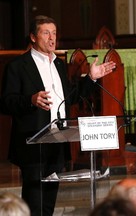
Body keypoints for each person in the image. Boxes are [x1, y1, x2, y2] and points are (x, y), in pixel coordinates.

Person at [1, 15, 116, 216]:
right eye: (46, 33)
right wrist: (30, 100)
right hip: (33, 142)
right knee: (35, 203)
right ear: (33, 37)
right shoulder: (17, 66)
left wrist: (91, 78)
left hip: (57, 140)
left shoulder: (59, 65)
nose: (52, 38)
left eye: (54, 33)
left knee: (49, 203)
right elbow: (5, 102)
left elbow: (71, 97)